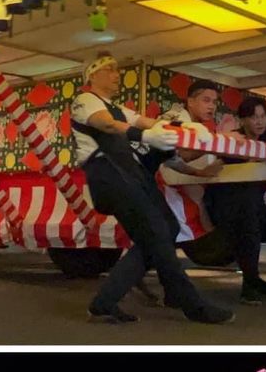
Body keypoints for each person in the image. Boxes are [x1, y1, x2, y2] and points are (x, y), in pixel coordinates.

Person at [71, 52, 235, 324]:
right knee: (158, 232)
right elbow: (108, 124)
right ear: (92, 75)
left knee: (166, 229)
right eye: (110, 69)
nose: (117, 74)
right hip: (108, 175)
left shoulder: (119, 107)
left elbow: (148, 122)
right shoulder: (85, 100)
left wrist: (187, 128)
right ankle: (191, 303)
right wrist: (145, 136)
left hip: (131, 174)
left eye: (117, 69)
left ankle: (104, 303)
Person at [204, 96, 266, 304]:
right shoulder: (234, 141)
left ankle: (255, 279)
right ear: (242, 120)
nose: (259, 121)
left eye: (262, 116)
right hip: (228, 205)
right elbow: (219, 164)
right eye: (253, 117)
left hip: (253, 206)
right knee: (250, 222)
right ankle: (250, 287)